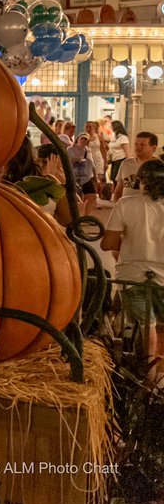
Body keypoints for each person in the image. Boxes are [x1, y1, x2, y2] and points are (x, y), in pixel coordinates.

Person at [102, 160, 164, 388]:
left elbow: (107, 243)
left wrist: (130, 236)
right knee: (159, 326)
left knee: (146, 326)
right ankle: (159, 376)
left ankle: (147, 376)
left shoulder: (126, 204)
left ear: (142, 182)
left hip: (133, 275)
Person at [115, 131, 160, 201]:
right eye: (136, 144)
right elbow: (118, 190)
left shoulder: (159, 166)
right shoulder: (126, 164)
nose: (137, 147)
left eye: (142, 145)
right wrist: (116, 206)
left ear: (153, 148)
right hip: (126, 208)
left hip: (150, 210)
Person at [68, 134, 98, 216]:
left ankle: (86, 216)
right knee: (77, 199)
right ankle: (76, 217)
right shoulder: (70, 150)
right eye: (82, 139)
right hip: (74, 178)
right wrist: (77, 159)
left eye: (86, 140)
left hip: (86, 177)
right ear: (78, 139)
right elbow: (67, 162)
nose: (83, 141)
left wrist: (95, 176)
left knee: (92, 196)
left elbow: (92, 163)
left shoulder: (87, 151)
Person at [107, 120, 130, 187]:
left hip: (120, 160)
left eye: (111, 127)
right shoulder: (115, 137)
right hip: (114, 160)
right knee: (113, 177)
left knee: (116, 178)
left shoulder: (123, 138)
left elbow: (127, 151)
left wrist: (128, 162)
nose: (110, 128)